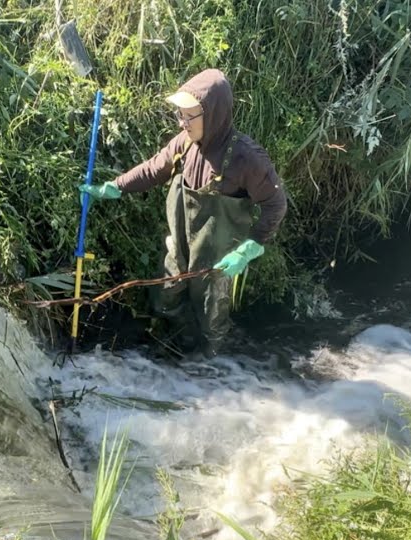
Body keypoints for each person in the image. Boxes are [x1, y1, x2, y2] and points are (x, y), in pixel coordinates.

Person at [79, 68, 288, 355]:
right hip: (180, 246)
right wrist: (115, 186)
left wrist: (251, 248)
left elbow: (276, 204)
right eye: (179, 115)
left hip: (217, 259)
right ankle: (180, 350)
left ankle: (214, 369)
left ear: (213, 114)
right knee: (165, 299)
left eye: (189, 116)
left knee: (210, 316)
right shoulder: (184, 143)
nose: (182, 123)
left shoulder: (246, 157)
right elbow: (155, 168)